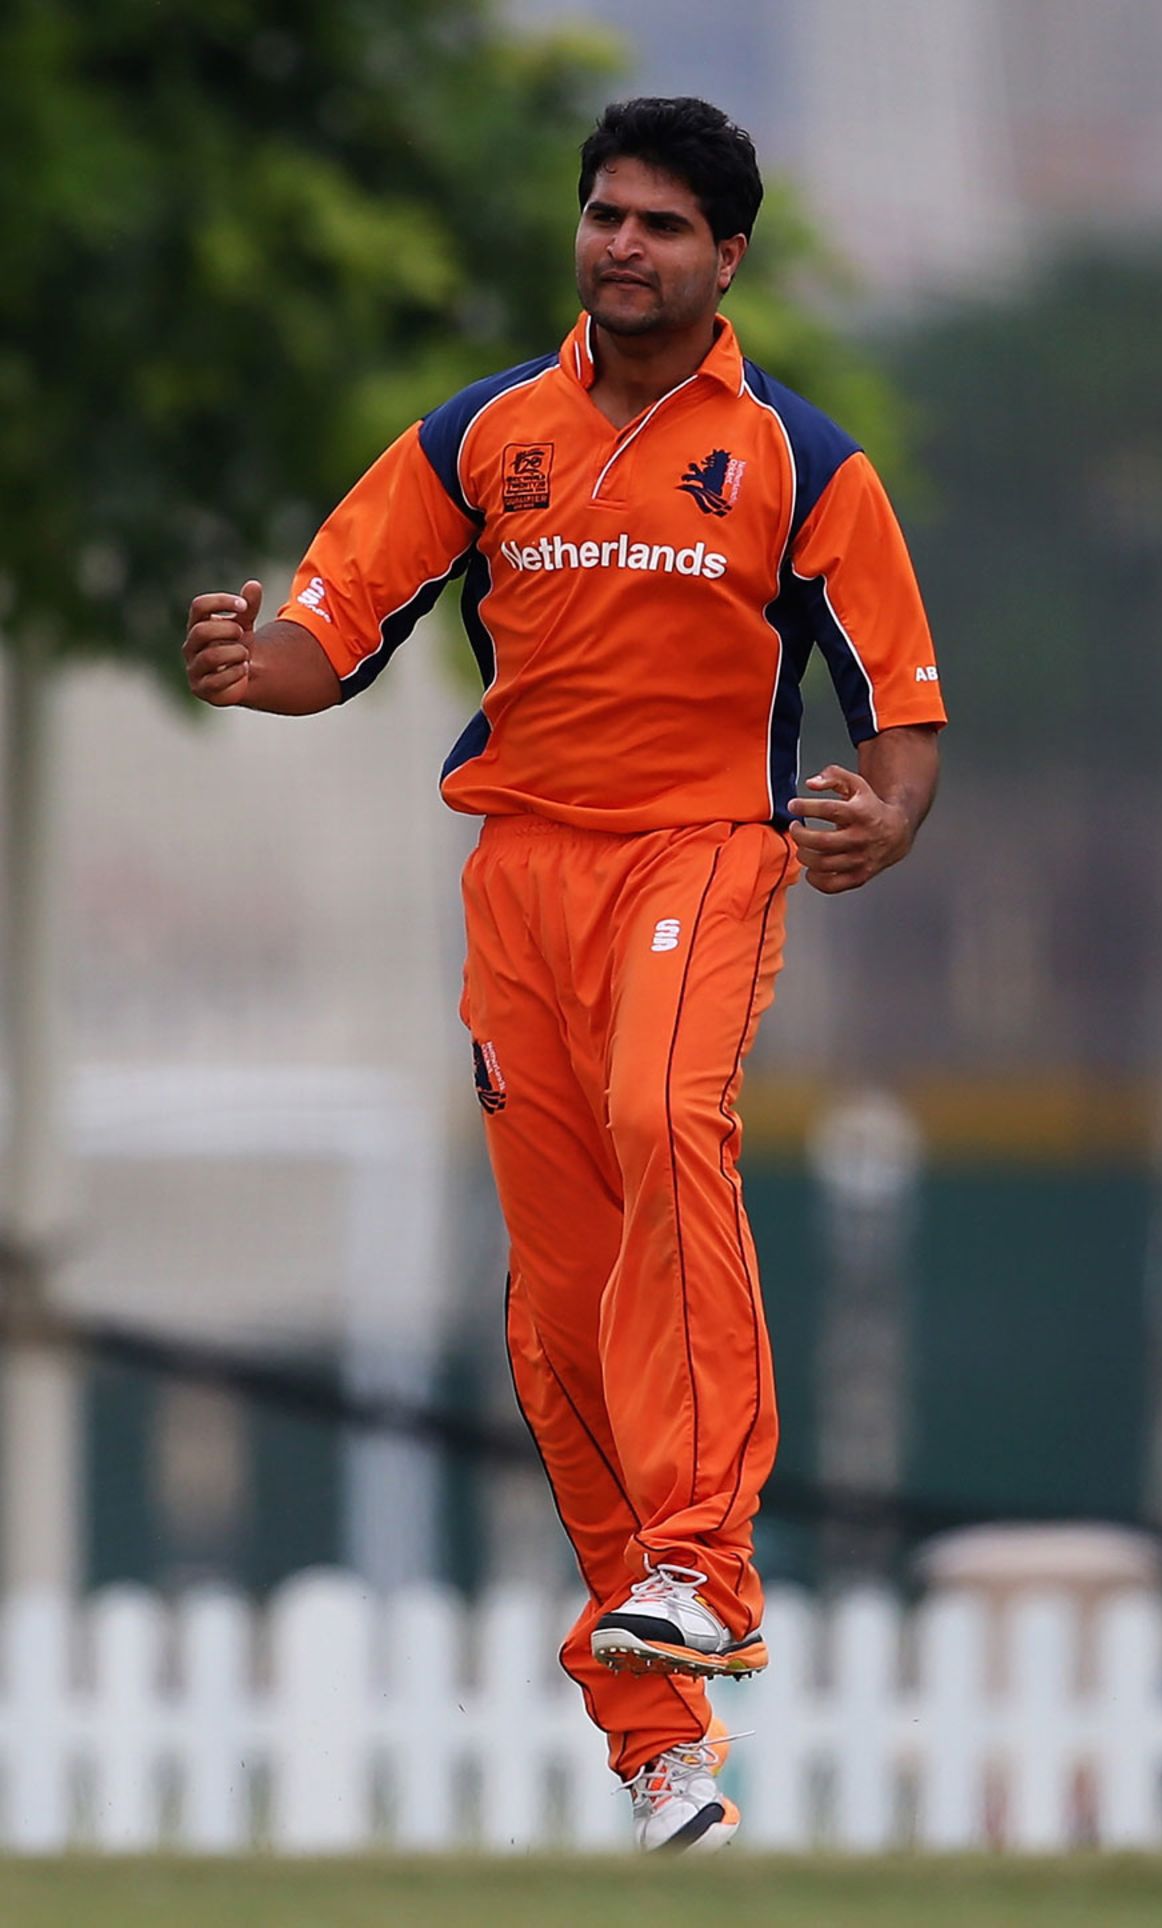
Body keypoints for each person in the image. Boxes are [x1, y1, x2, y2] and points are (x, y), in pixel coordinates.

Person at [184, 96, 945, 1852]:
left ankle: (711, 1566)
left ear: (725, 257)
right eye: (605, 215)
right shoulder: (483, 437)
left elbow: (897, 712)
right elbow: (334, 628)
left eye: (662, 226)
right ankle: (659, 1742)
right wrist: (251, 667)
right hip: (523, 877)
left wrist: (882, 826)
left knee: (665, 1113)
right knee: (556, 1324)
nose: (623, 246)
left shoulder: (801, 461)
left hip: (705, 855)